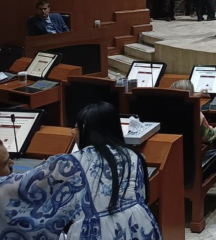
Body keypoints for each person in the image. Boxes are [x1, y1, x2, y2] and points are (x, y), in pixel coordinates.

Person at [0, 102, 161, 239]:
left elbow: (21, 189)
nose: (74, 134)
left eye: (75, 129)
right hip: (141, 227)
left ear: (85, 130)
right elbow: (142, 197)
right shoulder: (134, 156)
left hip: (96, 232)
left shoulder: (71, 163)